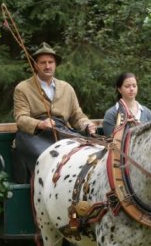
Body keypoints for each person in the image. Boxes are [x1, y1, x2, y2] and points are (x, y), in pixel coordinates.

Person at [12, 42, 97, 182]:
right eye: (43, 62)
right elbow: (20, 118)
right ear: (35, 65)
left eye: (51, 62)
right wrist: (40, 124)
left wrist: (87, 125)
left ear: (55, 64)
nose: (47, 66)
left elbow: (77, 116)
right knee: (49, 158)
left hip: (62, 132)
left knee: (88, 152)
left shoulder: (66, 88)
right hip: (34, 136)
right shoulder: (23, 88)